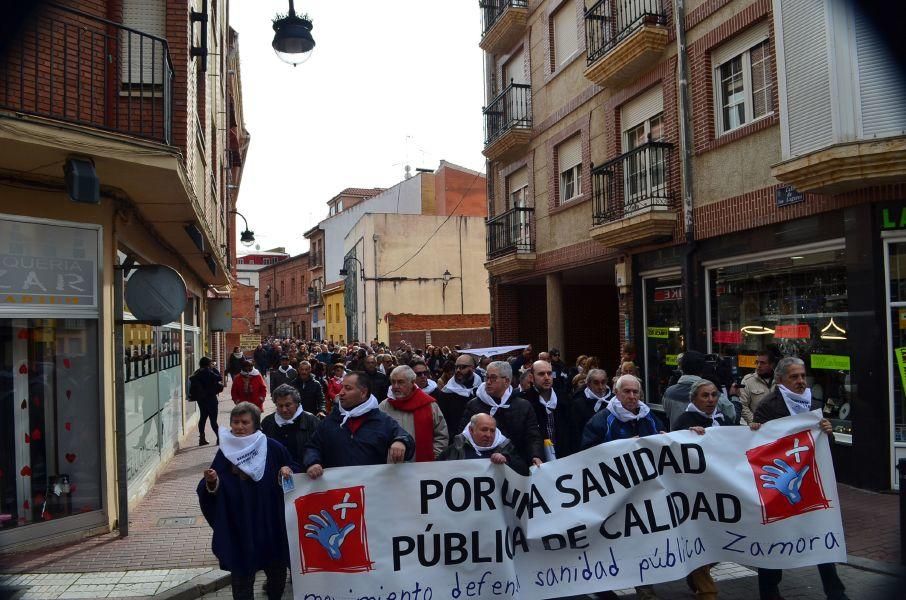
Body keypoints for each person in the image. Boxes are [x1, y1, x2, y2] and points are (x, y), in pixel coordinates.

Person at [752, 357, 848, 600]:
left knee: (821, 530)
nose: (800, 381)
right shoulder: (768, 406)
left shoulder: (813, 404)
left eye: (803, 376)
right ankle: (769, 590)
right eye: (794, 377)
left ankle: (835, 591)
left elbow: (825, 447)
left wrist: (828, 433)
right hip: (782, 482)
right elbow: (760, 447)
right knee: (775, 535)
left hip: (811, 480)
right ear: (781, 379)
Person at [197, 402, 297, 600]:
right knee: (242, 578)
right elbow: (210, 488)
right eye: (235, 422)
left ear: (255, 424)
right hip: (240, 524)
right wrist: (213, 481)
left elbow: (292, 467)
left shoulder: (272, 447)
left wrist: (287, 471)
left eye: (245, 422)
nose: (239, 427)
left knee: (276, 572)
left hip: (269, 522)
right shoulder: (226, 451)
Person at [304, 372, 414, 477]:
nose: (341, 392)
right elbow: (312, 446)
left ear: (363, 393)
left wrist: (401, 442)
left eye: (348, 388)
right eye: (342, 387)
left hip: (372, 490)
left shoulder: (382, 421)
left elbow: (406, 438)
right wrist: (312, 462)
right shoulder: (330, 421)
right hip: (339, 492)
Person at [459, 361, 544, 468]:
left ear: (507, 381)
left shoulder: (523, 406)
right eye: (487, 377)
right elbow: (463, 436)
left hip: (516, 465)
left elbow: (532, 436)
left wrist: (535, 456)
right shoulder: (474, 405)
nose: (488, 382)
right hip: (481, 466)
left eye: (493, 378)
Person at [379, 365, 448, 461]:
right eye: (393, 382)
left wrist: (433, 456)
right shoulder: (384, 406)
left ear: (412, 382)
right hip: (392, 467)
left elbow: (441, 435)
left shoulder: (429, 405)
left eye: (400, 382)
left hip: (422, 466)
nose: (395, 386)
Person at [582, 374, 660, 449]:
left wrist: (664, 437)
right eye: (627, 391)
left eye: (635, 392)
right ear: (616, 392)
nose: (632, 396)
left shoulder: (648, 415)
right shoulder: (599, 421)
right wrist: (622, 447)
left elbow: (661, 434)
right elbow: (588, 454)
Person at [439, 413, 528, 475]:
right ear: (471, 430)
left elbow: (524, 471)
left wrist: (507, 460)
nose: (489, 435)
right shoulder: (456, 448)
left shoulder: (506, 448)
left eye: (492, 431)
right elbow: (437, 472)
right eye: (484, 430)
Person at [520, 360, 574, 459]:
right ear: (532, 377)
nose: (546, 377)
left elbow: (573, 430)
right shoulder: (524, 401)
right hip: (536, 459)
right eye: (541, 374)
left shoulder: (564, 398)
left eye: (549, 373)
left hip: (564, 456)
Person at [261, 384, 320, 466]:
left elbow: (318, 448)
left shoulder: (312, 421)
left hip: (305, 473)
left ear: (297, 403)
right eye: (280, 406)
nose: (284, 410)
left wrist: (313, 463)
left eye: (288, 405)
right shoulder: (267, 422)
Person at [434, 354, 482, 432]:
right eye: (456, 367)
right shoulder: (446, 392)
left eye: (463, 367)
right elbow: (443, 422)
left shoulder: (481, 389)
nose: (458, 370)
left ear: (473, 368)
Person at [570, 368, 613, 446]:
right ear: (588, 384)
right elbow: (575, 432)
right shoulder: (578, 403)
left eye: (603, 382)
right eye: (596, 383)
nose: (600, 387)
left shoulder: (614, 401)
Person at [189, 356, 224, 446]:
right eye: (211, 363)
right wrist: (214, 369)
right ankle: (219, 438)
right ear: (208, 364)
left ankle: (202, 438)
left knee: (203, 418)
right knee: (213, 420)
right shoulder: (209, 372)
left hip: (201, 399)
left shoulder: (197, 372)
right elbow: (219, 378)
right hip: (211, 398)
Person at [740, 350, 777, 424]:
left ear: (771, 365)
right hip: (756, 427)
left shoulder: (780, 380)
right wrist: (754, 421)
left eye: (763, 363)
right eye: (757, 362)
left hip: (776, 426)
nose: (759, 366)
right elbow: (742, 405)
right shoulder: (747, 381)